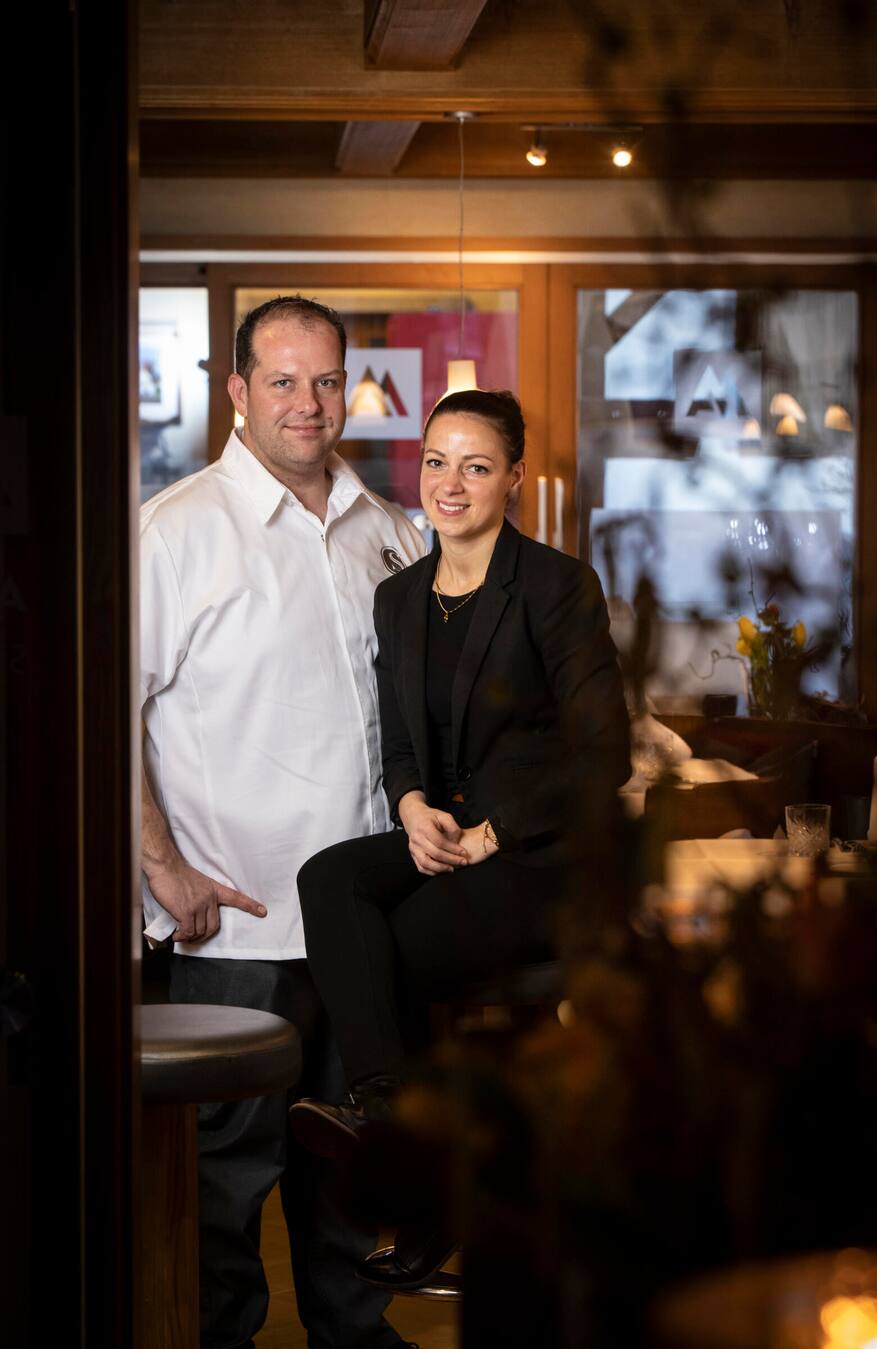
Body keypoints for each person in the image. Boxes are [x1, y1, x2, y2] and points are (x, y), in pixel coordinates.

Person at [290, 389, 632, 1283]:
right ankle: (390, 1116)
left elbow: (606, 755)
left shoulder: (557, 587)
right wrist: (409, 805)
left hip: (541, 854)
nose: (450, 483)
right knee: (329, 879)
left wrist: (493, 833)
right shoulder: (399, 596)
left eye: (476, 466)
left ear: (513, 478)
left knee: (387, 950)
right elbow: (401, 742)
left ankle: (425, 1175)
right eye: (437, 461)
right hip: (443, 834)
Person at [140, 295, 426, 1349]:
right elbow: (100, 708)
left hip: (364, 931)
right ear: (237, 392)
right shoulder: (175, 530)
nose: (308, 403)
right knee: (224, 1191)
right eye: (282, 381)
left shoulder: (389, 530)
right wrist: (161, 865)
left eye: (325, 380)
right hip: (238, 928)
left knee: (349, 1174)